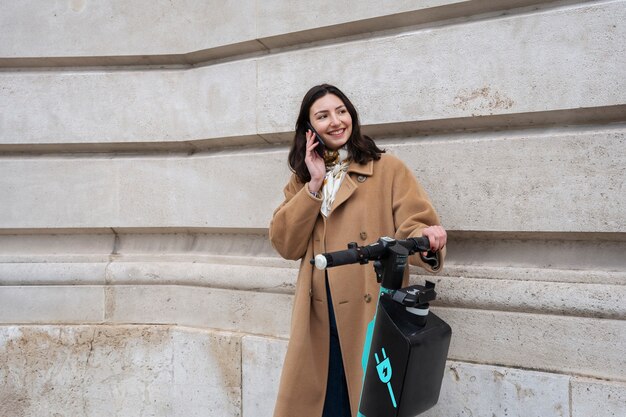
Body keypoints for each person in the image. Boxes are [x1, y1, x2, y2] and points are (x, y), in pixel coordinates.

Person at [269, 84, 447, 417]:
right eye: (322, 116)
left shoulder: (387, 169)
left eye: (341, 111)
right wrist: (313, 185)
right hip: (319, 317)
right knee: (324, 405)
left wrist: (426, 239)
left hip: (368, 312)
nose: (335, 121)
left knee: (367, 402)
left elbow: (413, 224)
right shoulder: (302, 180)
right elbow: (285, 243)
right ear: (310, 130)